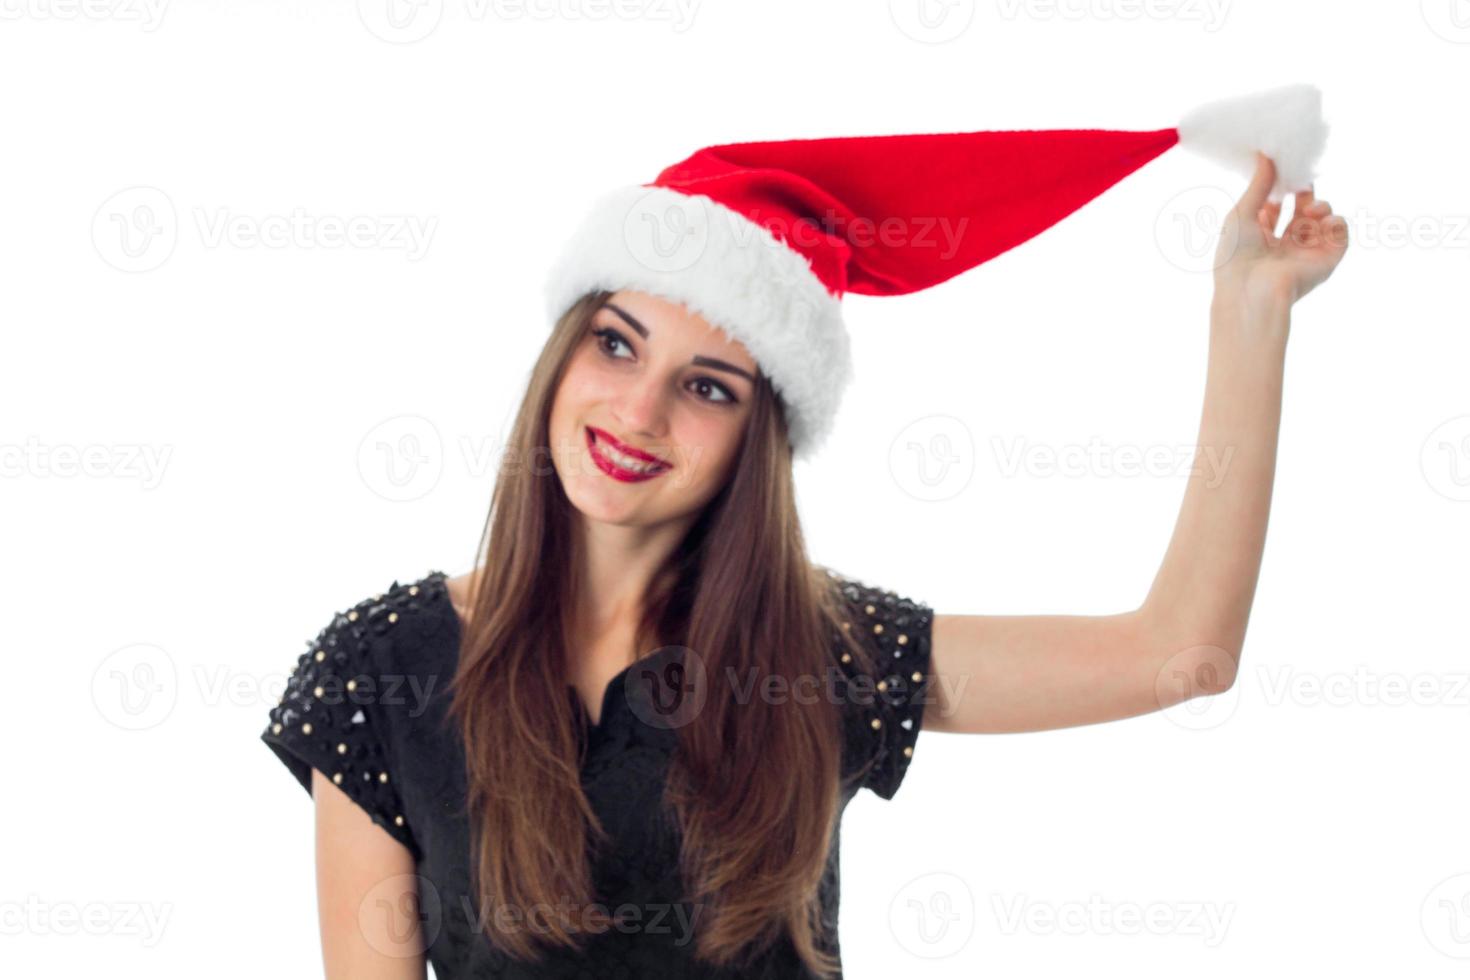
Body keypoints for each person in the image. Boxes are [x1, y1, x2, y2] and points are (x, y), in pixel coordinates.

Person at [261, 92, 1349, 978]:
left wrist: (1249, 314)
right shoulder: (380, 671)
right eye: (616, 343)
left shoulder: (817, 654)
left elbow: (1179, 652)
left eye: (708, 385)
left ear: (759, 436)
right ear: (564, 351)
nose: (639, 413)